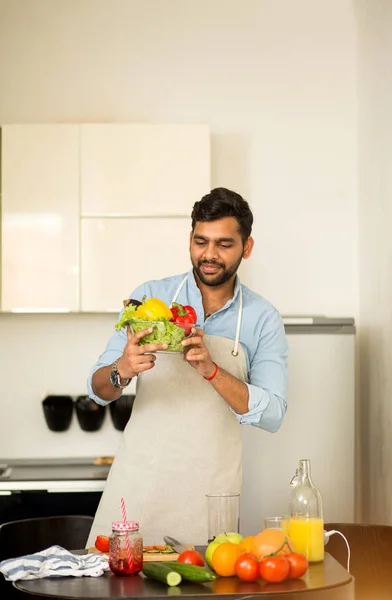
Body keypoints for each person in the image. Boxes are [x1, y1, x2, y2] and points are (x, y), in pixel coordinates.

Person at [86, 187, 288, 547]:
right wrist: (123, 369)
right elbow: (98, 390)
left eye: (224, 244)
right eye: (200, 241)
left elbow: (272, 414)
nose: (209, 255)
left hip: (211, 498)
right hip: (138, 487)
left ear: (247, 247)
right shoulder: (149, 298)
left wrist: (213, 371)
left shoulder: (262, 318)